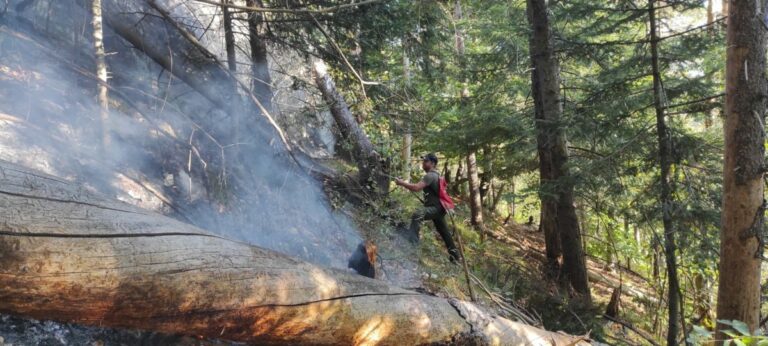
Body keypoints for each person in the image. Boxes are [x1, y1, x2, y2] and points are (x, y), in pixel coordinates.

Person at [395, 153, 461, 263]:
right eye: (423, 161)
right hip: (440, 208)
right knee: (444, 232)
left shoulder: (430, 175)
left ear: (432, 163)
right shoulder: (436, 175)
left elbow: (416, 188)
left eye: (425, 161)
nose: (423, 163)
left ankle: (412, 243)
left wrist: (401, 183)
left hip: (437, 208)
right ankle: (455, 257)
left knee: (417, 214)